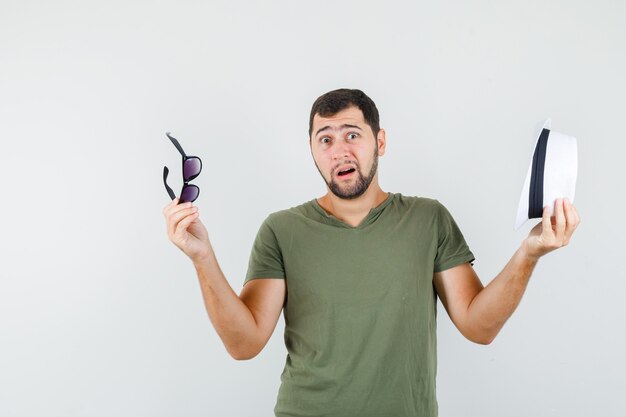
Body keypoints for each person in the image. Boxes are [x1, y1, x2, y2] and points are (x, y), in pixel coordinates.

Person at [162, 88, 580, 417]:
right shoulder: (281, 230)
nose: (338, 150)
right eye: (324, 139)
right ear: (311, 149)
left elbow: (478, 325)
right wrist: (203, 257)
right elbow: (245, 343)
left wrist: (529, 252)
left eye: (352, 135)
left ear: (379, 141)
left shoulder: (427, 219)